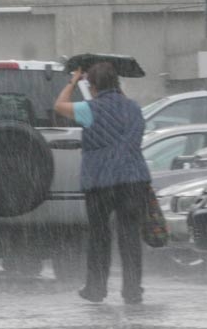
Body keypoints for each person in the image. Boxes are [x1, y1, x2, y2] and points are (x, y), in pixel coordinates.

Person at [54, 62, 151, 304]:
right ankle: (132, 291)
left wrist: (73, 82)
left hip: (100, 181)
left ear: (92, 86)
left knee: (99, 236)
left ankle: (96, 289)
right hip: (133, 179)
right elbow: (122, 106)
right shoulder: (134, 108)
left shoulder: (89, 109)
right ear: (117, 84)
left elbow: (58, 106)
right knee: (130, 236)